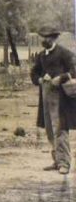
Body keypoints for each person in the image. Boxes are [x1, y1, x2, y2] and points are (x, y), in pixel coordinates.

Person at [30, 28, 76, 175]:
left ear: (53, 38)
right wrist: (39, 79)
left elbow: (74, 70)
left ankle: (65, 163)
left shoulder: (64, 53)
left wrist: (61, 78)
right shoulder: (41, 55)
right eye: (42, 37)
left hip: (60, 97)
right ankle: (56, 160)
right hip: (45, 95)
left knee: (60, 128)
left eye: (47, 38)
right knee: (50, 129)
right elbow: (34, 72)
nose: (44, 40)